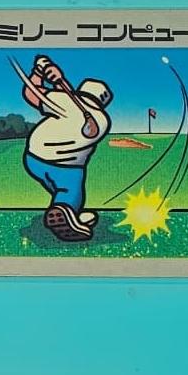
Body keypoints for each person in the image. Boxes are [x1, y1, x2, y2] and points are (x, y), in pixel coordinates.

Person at [20, 54, 112, 241]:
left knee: (61, 194)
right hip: (67, 169)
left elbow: (31, 93)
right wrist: (58, 80)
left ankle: (70, 214)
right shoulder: (102, 120)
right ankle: (65, 209)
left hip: (34, 159)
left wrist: (38, 73)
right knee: (69, 193)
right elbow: (72, 102)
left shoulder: (63, 100)